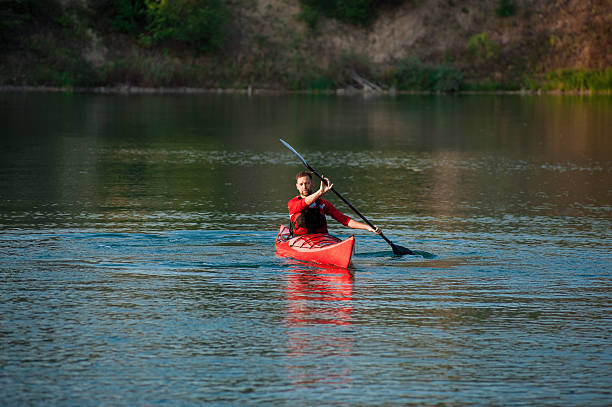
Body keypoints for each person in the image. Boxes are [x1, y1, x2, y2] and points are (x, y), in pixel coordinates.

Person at [288, 170, 382, 236]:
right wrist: (320, 192)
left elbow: (344, 220)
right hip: (300, 240)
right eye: (301, 184)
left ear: (312, 184)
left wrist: (368, 227)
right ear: (297, 186)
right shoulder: (292, 203)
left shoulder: (323, 204)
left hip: (321, 239)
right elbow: (305, 203)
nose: (304, 187)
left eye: (307, 183)